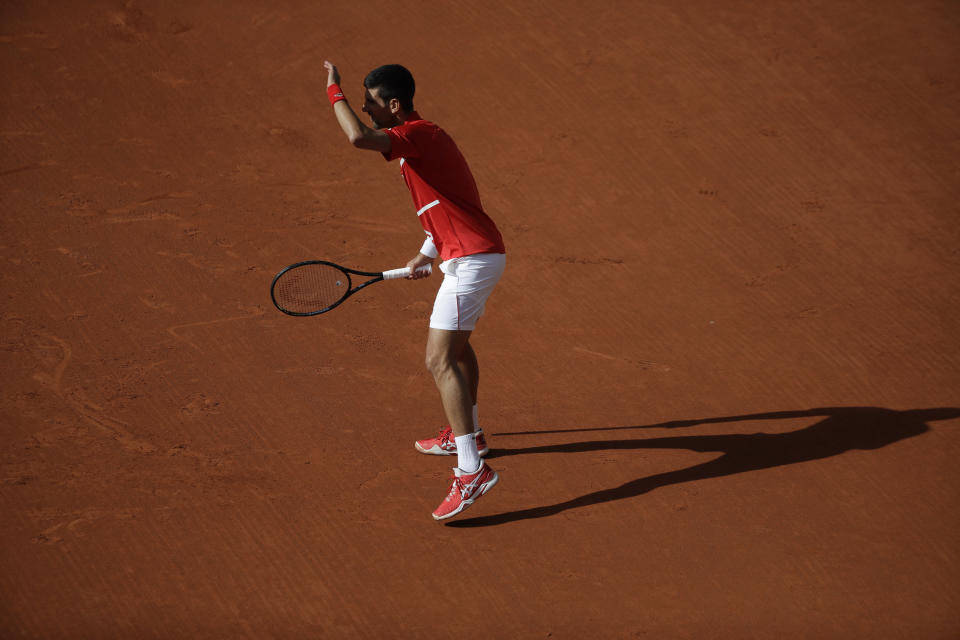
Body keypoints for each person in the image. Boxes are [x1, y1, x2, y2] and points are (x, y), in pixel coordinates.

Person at [323, 61, 506, 521]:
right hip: (468, 253)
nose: (365, 109)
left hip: (471, 260)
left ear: (395, 105)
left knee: (438, 359)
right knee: (458, 349)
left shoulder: (418, 135)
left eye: (371, 102)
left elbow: (358, 138)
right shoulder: (422, 142)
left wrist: (334, 93)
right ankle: (472, 436)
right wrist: (428, 251)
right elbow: (450, 200)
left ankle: (471, 470)